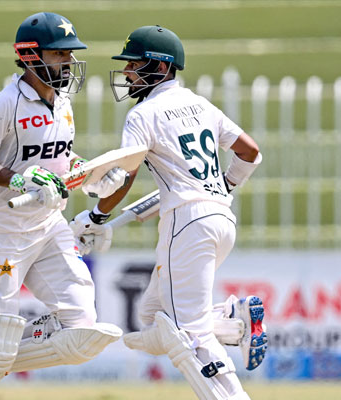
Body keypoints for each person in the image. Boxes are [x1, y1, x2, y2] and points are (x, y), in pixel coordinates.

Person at [70, 26, 268, 399]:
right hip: (220, 219)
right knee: (152, 322)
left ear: (160, 67)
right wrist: (223, 187)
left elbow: (124, 177)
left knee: (186, 336)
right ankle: (233, 322)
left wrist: (96, 216)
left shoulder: (143, 114)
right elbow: (250, 153)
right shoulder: (201, 104)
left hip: (187, 224)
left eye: (134, 64)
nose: (127, 72)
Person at [0, 12, 127, 400]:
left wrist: (89, 174)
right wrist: (18, 179)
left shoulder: (63, 101)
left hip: (49, 225)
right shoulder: (5, 103)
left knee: (81, 326)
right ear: (31, 56)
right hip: (2, 230)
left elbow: (60, 156)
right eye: (61, 55)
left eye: (70, 55)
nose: (70, 63)